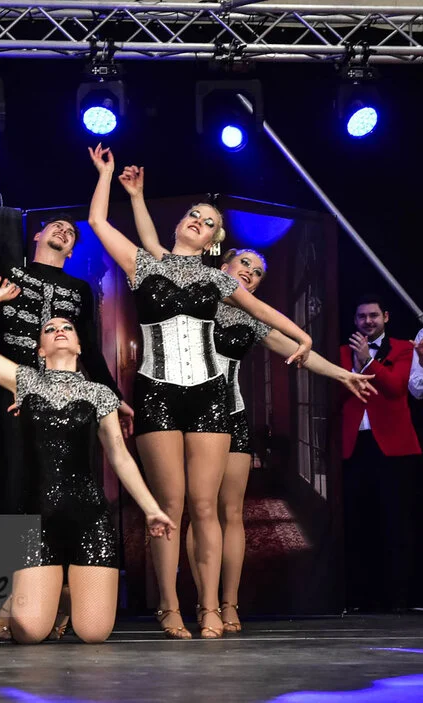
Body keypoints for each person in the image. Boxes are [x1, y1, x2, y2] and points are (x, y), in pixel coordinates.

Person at [119, 167, 376, 632]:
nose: (251, 275)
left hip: (226, 413)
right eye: (245, 266)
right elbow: (153, 246)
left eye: (257, 273)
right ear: (223, 265)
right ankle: (176, 602)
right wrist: (136, 197)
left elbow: (296, 349)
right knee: (181, 504)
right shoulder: (184, 287)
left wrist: (344, 374)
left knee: (224, 510)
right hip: (173, 402)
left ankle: (225, 603)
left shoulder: (248, 319)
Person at [86, 145, 312, 639]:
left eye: (209, 222)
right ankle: (169, 607)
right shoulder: (143, 265)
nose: (199, 222)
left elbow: (263, 312)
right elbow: (98, 222)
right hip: (157, 392)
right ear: (179, 224)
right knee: (170, 505)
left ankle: (209, 607)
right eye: (194, 215)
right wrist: (105, 174)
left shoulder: (218, 279)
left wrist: (303, 337)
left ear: (214, 240)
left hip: (210, 396)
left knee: (206, 506)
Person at [0, 278, 176, 644]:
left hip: (89, 518)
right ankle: (49, 597)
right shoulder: (25, 381)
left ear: (79, 346)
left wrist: (151, 509)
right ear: (40, 349)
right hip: (38, 519)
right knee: (30, 633)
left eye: (67, 327)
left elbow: (120, 457)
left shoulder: (99, 394)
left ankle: (65, 596)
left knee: (93, 633)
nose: (59, 331)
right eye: (50, 329)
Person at [340, 294, 421, 611]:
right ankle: (360, 598)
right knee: (358, 524)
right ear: (355, 320)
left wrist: (368, 361)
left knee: (397, 523)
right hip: (354, 446)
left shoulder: (403, 348)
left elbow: (398, 386)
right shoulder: (341, 352)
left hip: (395, 448)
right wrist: (356, 360)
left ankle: (399, 598)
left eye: (373, 315)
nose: (368, 321)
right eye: (362, 316)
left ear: (385, 317)